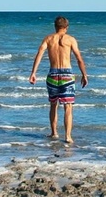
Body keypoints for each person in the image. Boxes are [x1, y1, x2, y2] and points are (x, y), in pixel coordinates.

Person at [28, 15, 88, 143]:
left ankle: (54, 133)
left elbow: (39, 55)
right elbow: (79, 58)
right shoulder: (71, 39)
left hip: (53, 74)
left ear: (55, 27)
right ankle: (68, 136)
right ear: (66, 27)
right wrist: (84, 75)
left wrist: (33, 73)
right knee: (68, 106)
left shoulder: (49, 39)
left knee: (53, 104)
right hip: (67, 75)